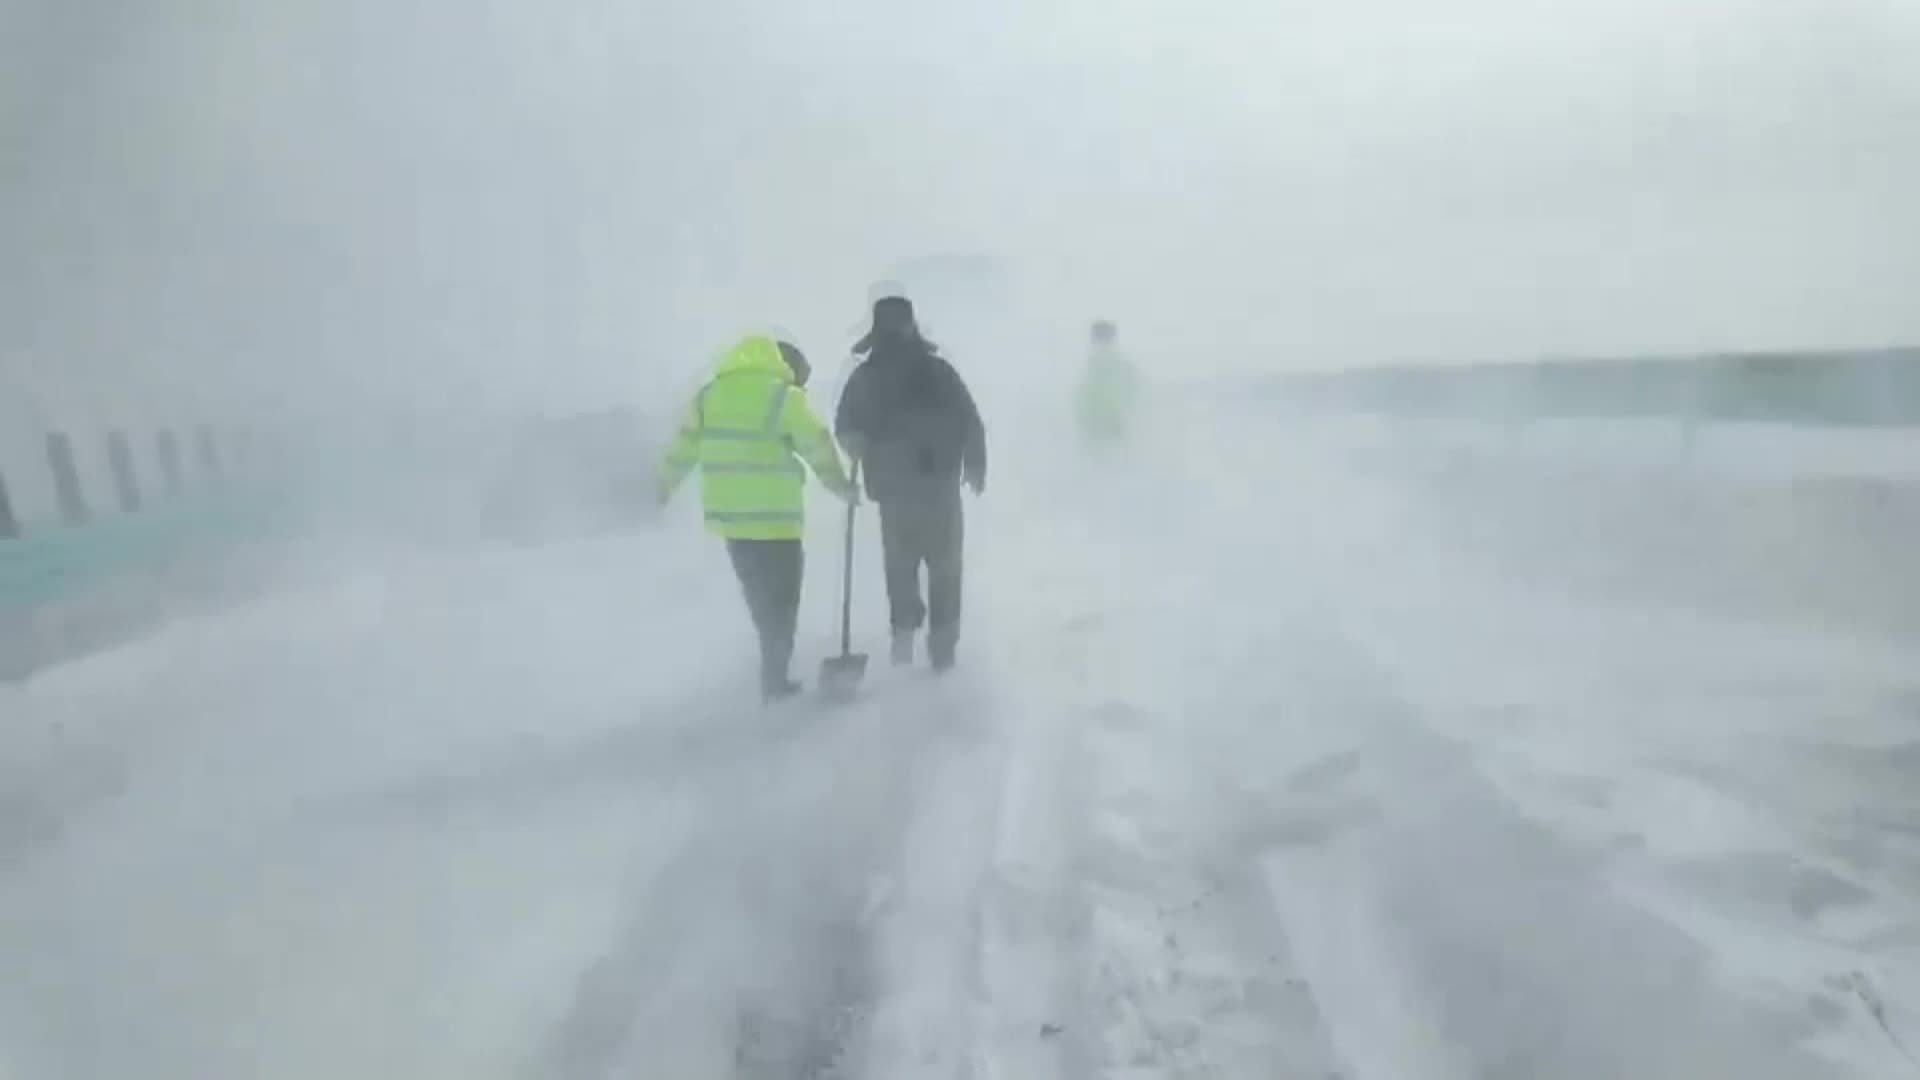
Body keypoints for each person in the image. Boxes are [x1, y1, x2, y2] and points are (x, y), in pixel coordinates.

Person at [656, 333, 857, 701]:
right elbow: (817, 446)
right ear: (788, 368)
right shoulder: (783, 396)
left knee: (760, 599)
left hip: (732, 523)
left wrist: (661, 487)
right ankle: (775, 678)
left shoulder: (709, 396)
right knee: (783, 601)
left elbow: (681, 450)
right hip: (776, 523)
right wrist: (841, 487)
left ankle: (773, 671)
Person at [836, 295, 986, 672]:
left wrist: (854, 440)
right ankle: (941, 647)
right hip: (936, 489)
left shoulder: (867, 377)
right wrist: (975, 465)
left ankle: (905, 632)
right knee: (945, 568)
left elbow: (846, 425)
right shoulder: (936, 371)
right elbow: (970, 420)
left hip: (897, 492)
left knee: (901, 567)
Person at [1078, 318, 1141, 447]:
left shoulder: (1092, 363)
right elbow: (1135, 386)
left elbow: (1082, 394)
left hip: (1097, 422)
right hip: (1109, 422)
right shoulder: (1117, 362)